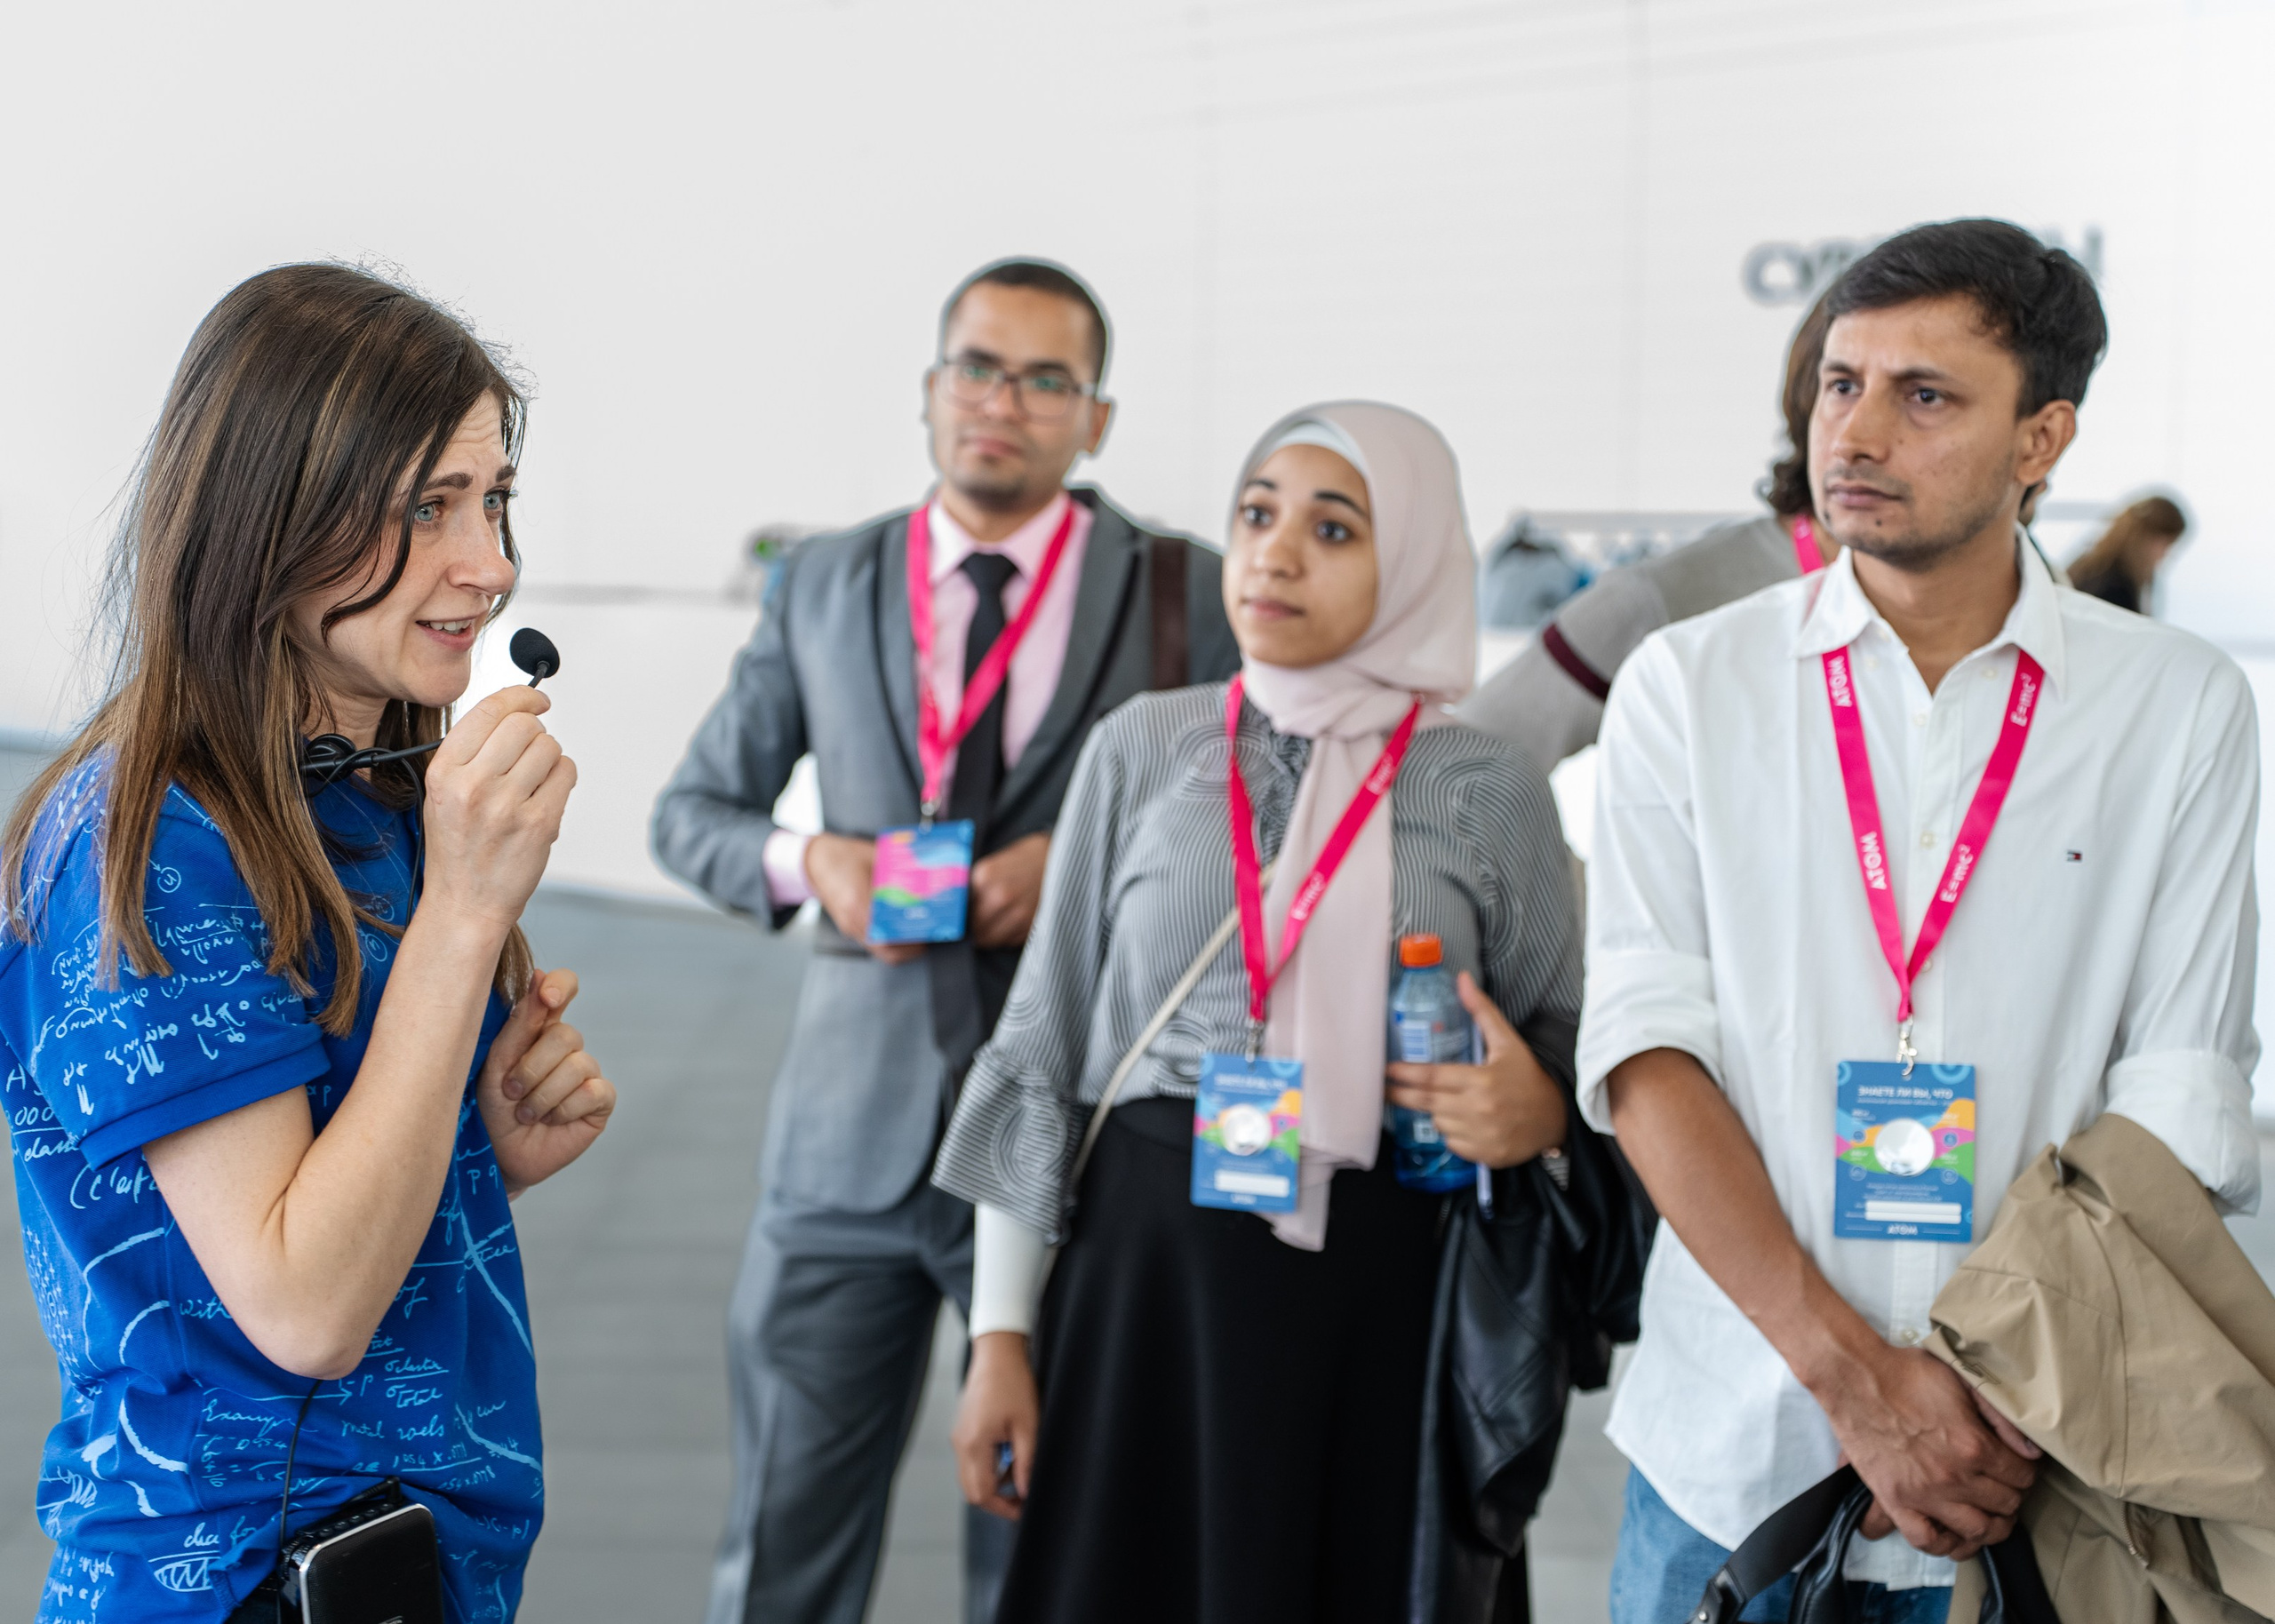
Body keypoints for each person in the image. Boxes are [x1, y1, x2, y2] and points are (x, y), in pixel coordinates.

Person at [1578, 219, 2259, 1622]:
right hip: (1736, 1463)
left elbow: (2179, 1103)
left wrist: (1981, 1395)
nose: (1858, 432)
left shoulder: (2174, 706)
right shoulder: (1686, 687)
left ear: (2041, 439)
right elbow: (1648, 1060)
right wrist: (1859, 1382)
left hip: (2041, 1478)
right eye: (1841, 384)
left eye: (1924, 395)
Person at [0, 264, 614, 1622]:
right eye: (426, 509)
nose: (491, 565)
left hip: (401, 1561)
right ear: (271, 525)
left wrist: (474, 1156)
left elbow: (317, 1208)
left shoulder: (363, 785)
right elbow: (303, 1307)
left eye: (492, 499)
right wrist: (463, 918)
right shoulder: (147, 844)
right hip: (233, 1582)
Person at [651, 257, 1239, 1624]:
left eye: (1048, 379)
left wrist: (1090, 865)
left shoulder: (1185, 592)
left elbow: (1259, 823)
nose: (1005, 402)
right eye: (979, 367)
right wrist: (820, 866)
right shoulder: (826, 581)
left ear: (1095, 418)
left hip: (1071, 1151)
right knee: (781, 1559)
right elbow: (693, 815)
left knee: (1048, 1567)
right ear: (930, 391)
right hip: (841, 1151)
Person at [935, 402, 1583, 1622]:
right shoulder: (1148, 744)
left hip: (1387, 1287)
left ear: (1417, 558)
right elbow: (1045, 1045)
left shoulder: (1485, 784)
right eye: (1256, 514)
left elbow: (1569, 1051)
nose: (1275, 554)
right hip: (1147, 1287)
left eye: (1333, 529)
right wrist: (1001, 1337)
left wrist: (1538, 1105)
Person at [1456, 291, 1839, 771]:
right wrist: (1563, 851)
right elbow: (1457, 776)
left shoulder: (1954, 609)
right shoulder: (1665, 598)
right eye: (1846, 388)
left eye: (1928, 396)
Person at [2066, 493, 2187, 614]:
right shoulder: (2115, 588)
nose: (2166, 555)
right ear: (2148, 537)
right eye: (2166, 545)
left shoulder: (2091, 567)